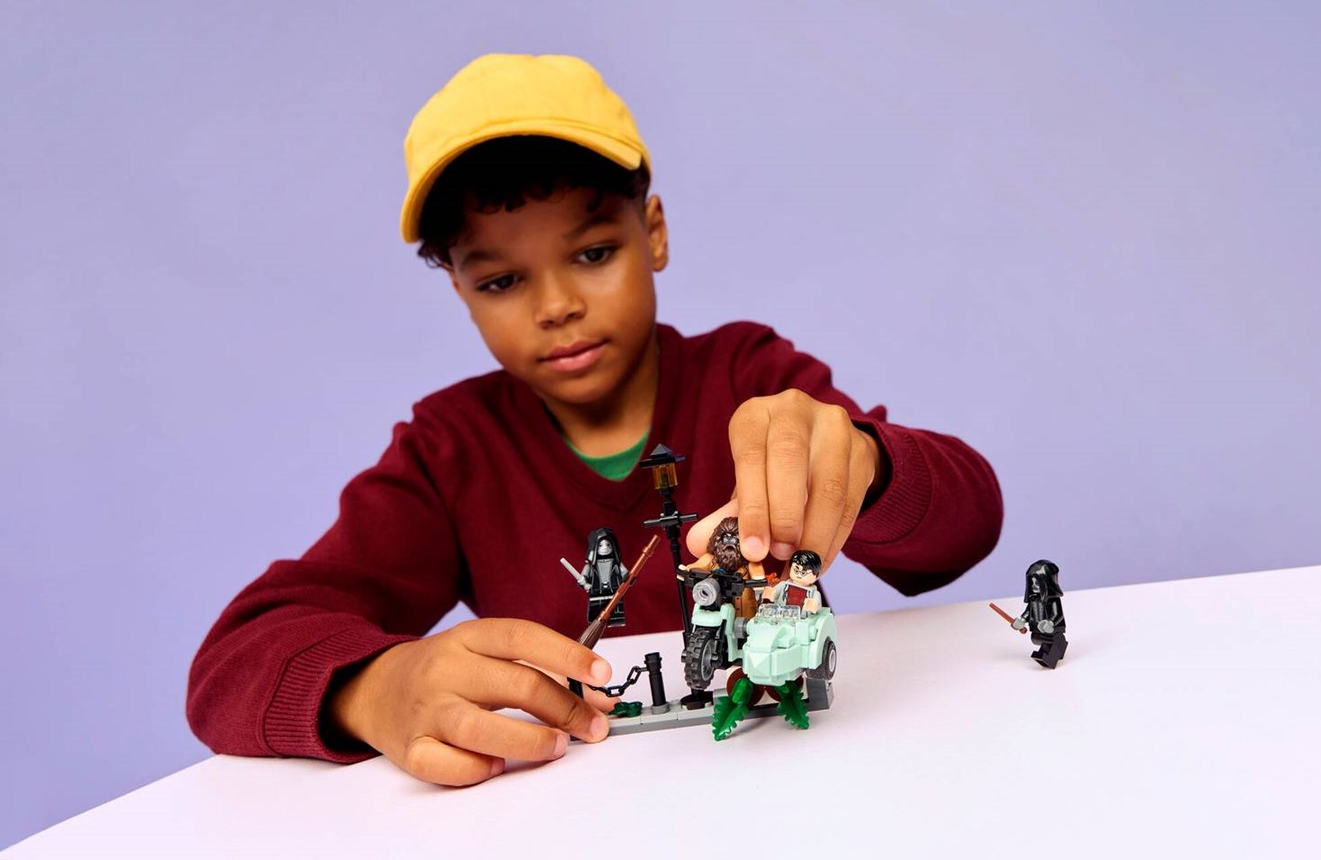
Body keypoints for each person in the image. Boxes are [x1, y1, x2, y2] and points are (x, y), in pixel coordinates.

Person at [186, 53, 1003, 786]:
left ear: (653, 234)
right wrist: (375, 689)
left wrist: (868, 463)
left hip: (784, 780)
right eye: (502, 281)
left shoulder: (749, 376)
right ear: (460, 292)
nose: (557, 306)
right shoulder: (449, 451)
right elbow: (234, 660)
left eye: (591, 254)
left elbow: (964, 531)